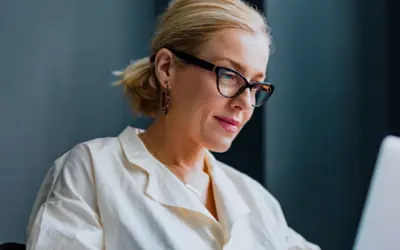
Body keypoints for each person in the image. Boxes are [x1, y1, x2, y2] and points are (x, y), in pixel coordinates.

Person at [26, 0, 321, 249]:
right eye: (230, 76)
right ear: (167, 68)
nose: (244, 103)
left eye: (256, 86)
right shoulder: (93, 171)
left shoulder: (255, 200)